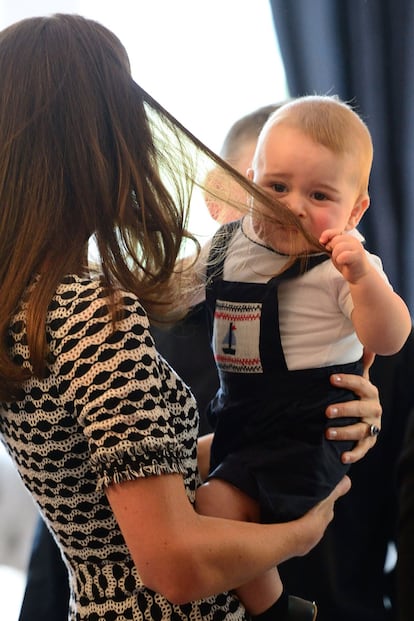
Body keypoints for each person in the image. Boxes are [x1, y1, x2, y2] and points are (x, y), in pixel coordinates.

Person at [0, 14, 381, 621]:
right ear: (93, 139)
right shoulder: (91, 315)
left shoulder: (29, 307)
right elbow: (174, 562)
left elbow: (122, 478)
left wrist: (309, 427)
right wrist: (303, 531)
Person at [193, 96, 412, 621]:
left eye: (316, 193)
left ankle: (275, 612)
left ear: (354, 209)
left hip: (308, 451)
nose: (290, 206)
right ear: (236, 189)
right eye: (274, 188)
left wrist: (365, 280)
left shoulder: (344, 275)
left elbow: (391, 333)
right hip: (238, 436)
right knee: (209, 493)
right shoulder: (218, 264)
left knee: (220, 500)